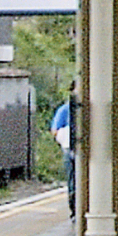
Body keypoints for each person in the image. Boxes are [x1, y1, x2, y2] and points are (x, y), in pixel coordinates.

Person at [50, 84, 76, 216]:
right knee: (73, 179)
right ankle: (74, 208)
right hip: (70, 148)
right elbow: (54, 130)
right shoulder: (65, 110)